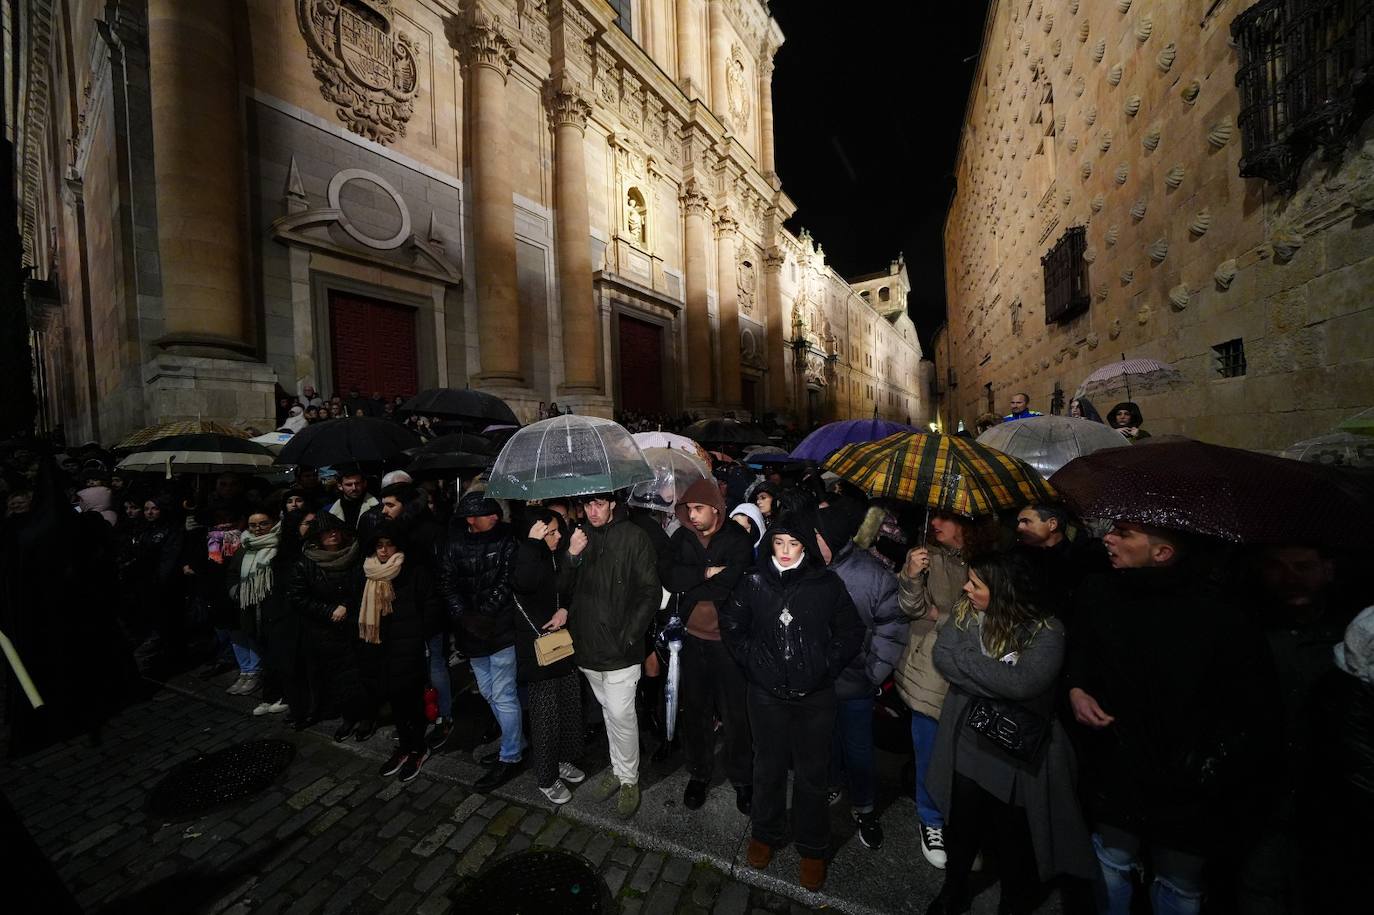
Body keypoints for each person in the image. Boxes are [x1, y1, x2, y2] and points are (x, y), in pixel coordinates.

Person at [1065, 522, 1275, 915]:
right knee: (1112, 861)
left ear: (1163, 553)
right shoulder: (1099, 591)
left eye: (1124, 533)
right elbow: (1081, 650)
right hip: (1117, 757)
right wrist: (1077, 690)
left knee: (1179, 882)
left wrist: (1207, 764)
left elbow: (1246, 704)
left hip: (1188, 775)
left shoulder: (1222, 614)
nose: (1108, 538)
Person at [925, 552, 1095, 915]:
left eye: (976, 584)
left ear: (1003, 591)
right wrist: (990, 673)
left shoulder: (1046, 631)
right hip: (968, 742)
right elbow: (942, 656)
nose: (966, 588)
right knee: (963, 826)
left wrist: (968, 662)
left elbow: (1023, 684)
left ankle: (1013, 903)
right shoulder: (965, 611)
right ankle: (954, 890)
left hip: (1014, 754)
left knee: (1014, 838)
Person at [721, 512, 863, 892]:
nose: (784, 552)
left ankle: (813, 847)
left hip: (815, 697)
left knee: (812, 774)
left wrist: (824, 666)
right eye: (778, 543)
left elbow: (851, 632)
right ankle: (765, 834)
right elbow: (732, 624)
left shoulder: (826, 583)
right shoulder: (753, 580)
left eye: (793, 544)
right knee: (766, 767)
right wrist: (754, 662)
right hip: (766, 695)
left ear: (805, 546)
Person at [894, 511, 1000, 870]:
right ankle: (931, 820)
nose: (936, 523)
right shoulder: (926, 555)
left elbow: (988, 617)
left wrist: (939, 615)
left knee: (966, 758)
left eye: (946, 517)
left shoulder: (990, 562)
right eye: (934, 515)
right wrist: (910, 574)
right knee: (928, 749)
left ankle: (964, 826)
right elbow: (911, 607)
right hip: (929, 670)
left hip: (973, 671)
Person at [560, 491, 661, 819]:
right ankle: (618, 770)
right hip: (587, 646)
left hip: (621, 649)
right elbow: (562, 588)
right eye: (586, 504)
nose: (592, 510)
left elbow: (650, 592)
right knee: (608, 711)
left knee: (621, 713)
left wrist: (629, 636)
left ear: (613, 504)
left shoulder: (634, 537)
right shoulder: (580, 537)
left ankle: (629, 778)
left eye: (598, 503)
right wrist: (571, 555)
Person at [660, 478, 756, 814]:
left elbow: (732, 584)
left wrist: (696, 578)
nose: (692, 515)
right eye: (688, 509)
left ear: (715, 508)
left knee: (735, 715)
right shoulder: (683, 536)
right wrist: (705, 573)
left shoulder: (737, 539)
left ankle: (743, 778)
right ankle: (699, 773)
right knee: (696, 711)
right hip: (691, 641)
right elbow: (669, 577)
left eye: (698, 508)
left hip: (728, 643)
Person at [815, 500, 907, 851]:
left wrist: (873, 673)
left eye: (815, 536)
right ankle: (832, 783)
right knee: (827, 740)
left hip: (856, 682)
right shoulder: (809, 566)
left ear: (834, 538)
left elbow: (893, 627)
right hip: (819, 680)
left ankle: (865, 807)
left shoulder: (873, 575)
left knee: (859, 748)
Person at [439, 493, 524, 792]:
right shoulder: (454, 543)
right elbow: (447, 583)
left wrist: (484, 614)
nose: (495, 516)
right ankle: (517, 742)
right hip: (470, 633)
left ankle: (511, 755)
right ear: (471, 519)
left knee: (503, 694)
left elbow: (507, 581)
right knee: (489, 692)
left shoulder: (507, 539)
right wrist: (464, 617)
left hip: (500, 631)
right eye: (488, 513)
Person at [511, 509, 586, 805]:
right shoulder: (523, 555)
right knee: (545, 717)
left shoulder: (553, 555)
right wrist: (531, 544)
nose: (557, 536)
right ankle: (546, 776)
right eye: (550, 533)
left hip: (561, 643)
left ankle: (564, 760)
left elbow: (563, 589)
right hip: (538, 649)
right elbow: (524, 584)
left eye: (557, 531)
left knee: (568, 706)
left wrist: (565, 608)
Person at [364, 521, 438, 782]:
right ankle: (405, 746)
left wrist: (419, 635)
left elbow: (430, 605)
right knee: (394, 699)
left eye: (389, 545)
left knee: (412, 700)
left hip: (409, 645)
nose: (384, 551)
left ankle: (419, 747)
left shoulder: (413, 570)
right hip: (380, 645)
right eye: (379, 545)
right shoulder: (369, 570)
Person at [289, 513, 368, 741]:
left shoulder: (355, 555)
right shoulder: (306, 562)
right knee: (338, 678)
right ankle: (348, 718)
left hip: (357, 624)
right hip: (326, 630)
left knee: (363, 674)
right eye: (326, 531)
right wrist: (328, 611)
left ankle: (366, 717)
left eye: (335, 529)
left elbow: (364, 586)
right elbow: (298, 597)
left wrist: (346, 605)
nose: (332, 534)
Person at [233, 511, 286, 716]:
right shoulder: (245, 545)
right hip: (251, 608)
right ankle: (269, 695)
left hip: (275, 608)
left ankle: (283, 695)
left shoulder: (279, 545)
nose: (257, 529)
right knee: (265, 653)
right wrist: (238, 592)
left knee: (279, 654)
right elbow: (232, 573)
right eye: (253, 525)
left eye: (263, 524)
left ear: (273, 523)